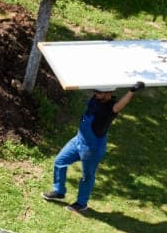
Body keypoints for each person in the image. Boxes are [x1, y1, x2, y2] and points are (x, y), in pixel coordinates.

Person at [42, 81, 144, 213]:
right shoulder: (95, 99)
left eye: (99, 92)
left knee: (87, 176)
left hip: (92, 148)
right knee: (60, 161)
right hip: (78, 140)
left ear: (109, 93)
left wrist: (132, 91)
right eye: (95, 91)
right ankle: (59, 191)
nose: (95, 94)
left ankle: (81, 204)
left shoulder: (110, 108)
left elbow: (120, 105)